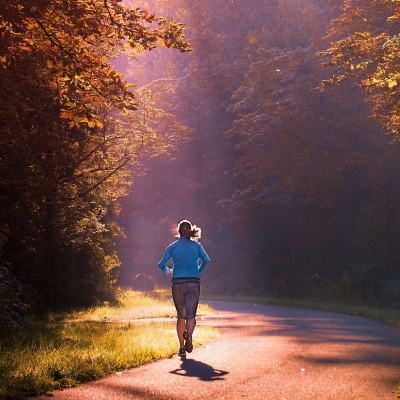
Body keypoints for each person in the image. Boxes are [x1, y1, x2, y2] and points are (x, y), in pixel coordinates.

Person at [158, 219, 211, 358]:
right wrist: (198, 270)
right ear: (190, 231)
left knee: (181, 315)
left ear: (178, 231)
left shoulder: (173, 246)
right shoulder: (197, 246)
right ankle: (189, 336)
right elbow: (207, 260)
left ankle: (182, 348)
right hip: (193, 282)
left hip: (178, 282)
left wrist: (167, 271)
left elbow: (161, 264)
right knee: (191, 315)